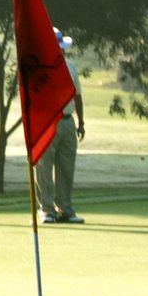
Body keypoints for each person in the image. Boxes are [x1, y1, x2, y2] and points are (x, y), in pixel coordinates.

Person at [35, 28, 86, 224]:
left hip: (67, 121)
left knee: (66, 167)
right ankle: (46, 210)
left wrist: (80, 123)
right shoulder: (40, 69)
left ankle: (64, 208)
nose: (62, 51)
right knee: (44, 167)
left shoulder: (71, 67)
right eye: (59, 47)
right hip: (48, 122)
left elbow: (78, 97)